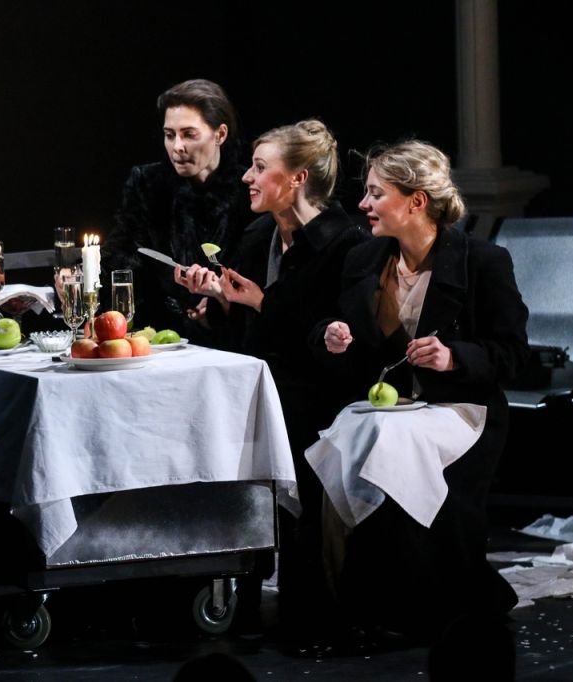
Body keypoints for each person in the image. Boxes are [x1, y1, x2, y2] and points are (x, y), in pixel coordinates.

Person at [317, 140, 530, 643]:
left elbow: (514, 355)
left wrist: (454, 356)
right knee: (341, 439)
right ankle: (354, 597)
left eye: (376, 193)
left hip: (461, 407)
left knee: (390, 441)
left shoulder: (482, 262)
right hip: (392, 409)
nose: (363, 204)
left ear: (416, 201)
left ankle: (420, 602)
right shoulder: (364, 259)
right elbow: (331, 327)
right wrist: (331, 335)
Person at [174, 119, 370, 634]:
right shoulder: (258, 233)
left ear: (298, 178)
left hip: (316, 397)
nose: (247, 177)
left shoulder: (347, 242)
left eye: (260, 168)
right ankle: (229, 581)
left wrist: (261, 302)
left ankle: (311, 603)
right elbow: (244, 326)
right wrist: (214, 305)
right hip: (258, 389)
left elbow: (335, 344)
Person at [101, 79, 253, 342]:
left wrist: (219, 301)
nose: (177, 146)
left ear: (220, 134)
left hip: (232, 338)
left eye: (189, 134)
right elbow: (122, 254)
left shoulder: (248, 189)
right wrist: (85, 278)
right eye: (169, 135)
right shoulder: (149, 183)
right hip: (159, 336)